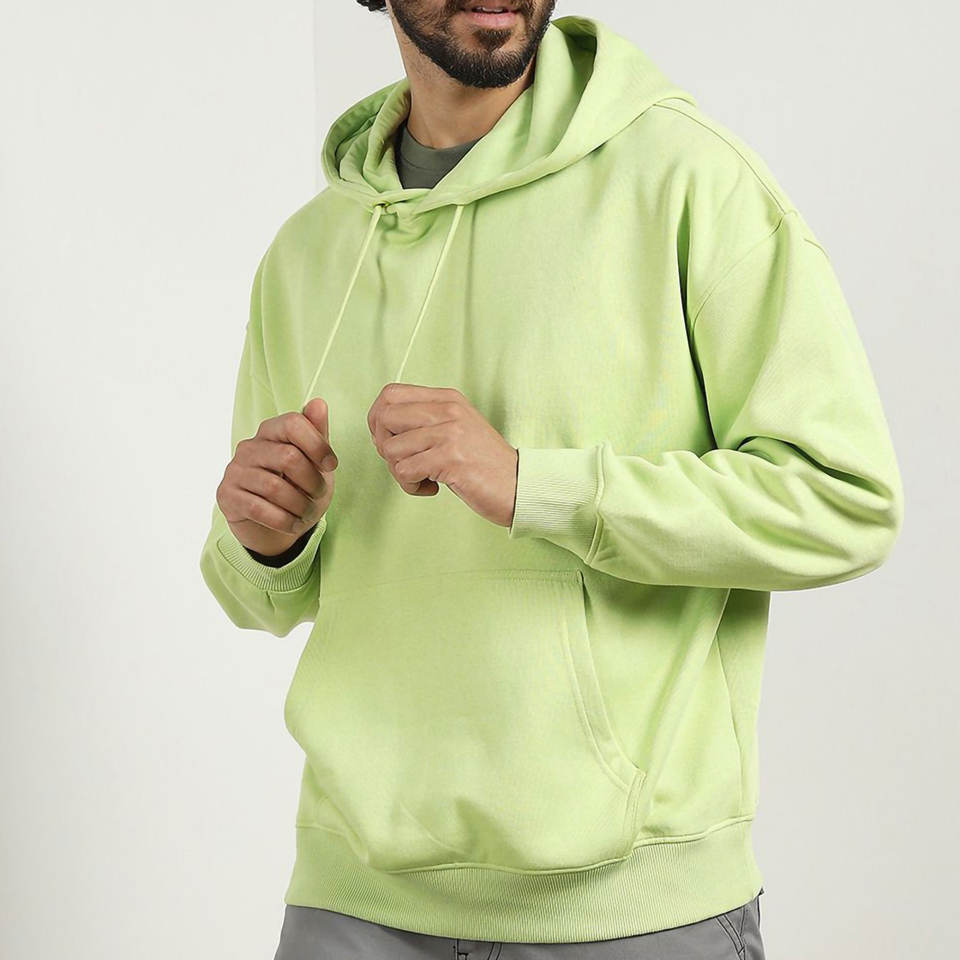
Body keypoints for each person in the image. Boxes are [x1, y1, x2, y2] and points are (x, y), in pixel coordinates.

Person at [198, 2, 904, 957]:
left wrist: (538, 485)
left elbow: (845, 499)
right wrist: (262, 542)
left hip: (630, 908)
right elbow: (262, 596)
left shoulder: (688, 181)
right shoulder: (309, 252)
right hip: (353, 898)